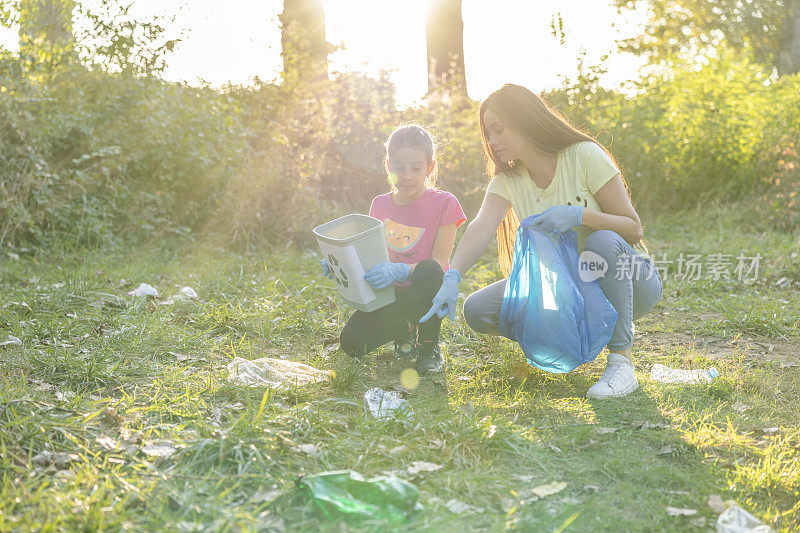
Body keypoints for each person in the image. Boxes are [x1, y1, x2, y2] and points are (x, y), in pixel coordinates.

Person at [421, 84, 662, 398]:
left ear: (524, 122)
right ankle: (567, 341)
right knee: (478, 309)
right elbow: (481, 227)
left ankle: (621, 362)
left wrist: (579, 215)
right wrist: (453, 276)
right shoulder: (508, 180)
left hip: (631, 281)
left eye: (498, 130)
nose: (492, 141)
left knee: (600, 242)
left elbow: (632, 228)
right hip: (569, 292)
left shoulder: (583, 155)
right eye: (488, 133)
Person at [322, 124, 466, 375]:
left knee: (429, 269)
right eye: (398, 167)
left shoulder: (445, 204)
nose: (407, 175)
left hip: (426, 293)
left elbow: (440, 263)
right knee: (352, 345)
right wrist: (341, 263)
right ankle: (405, 327)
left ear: (430, 167)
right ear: (389, 165)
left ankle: (429, 346)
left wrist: (400, 269)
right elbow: (368, 256)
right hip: (388, 297)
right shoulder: (379, 205)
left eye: (416, 168)